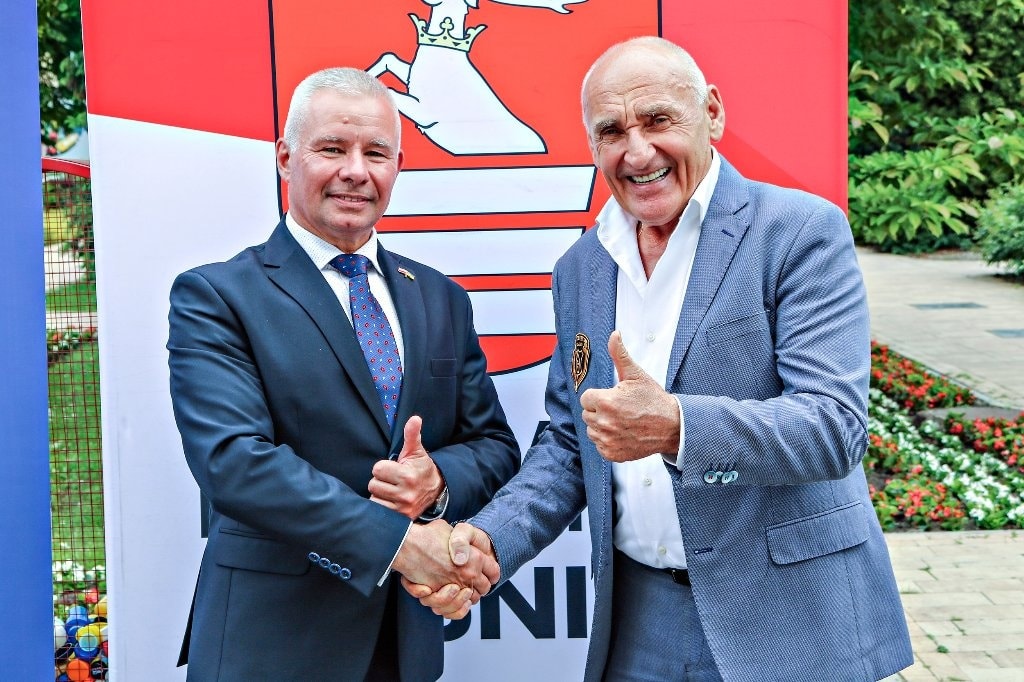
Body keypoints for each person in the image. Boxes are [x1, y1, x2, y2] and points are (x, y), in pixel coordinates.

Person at [408, 37, 914, 681]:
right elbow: (570, 443)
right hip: (640, 619)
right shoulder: (581, 269)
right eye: (611, 132)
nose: (638, 151)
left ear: (712, 113)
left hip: (789, 614)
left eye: (657, 120)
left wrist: (676, 426)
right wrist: (488, 540)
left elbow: (833, 428)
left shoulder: (800, 231)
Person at [167, 67, 519, 681]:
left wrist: (437, 481)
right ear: (286, 158)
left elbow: (493, 445)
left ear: (397, 167)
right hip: (269, 646)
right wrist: (399, 544)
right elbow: (234, 461)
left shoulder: (441, 298)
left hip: (403, 645)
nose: (356, 171)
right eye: (332, 148)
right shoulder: (217, 296)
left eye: (376, 153)